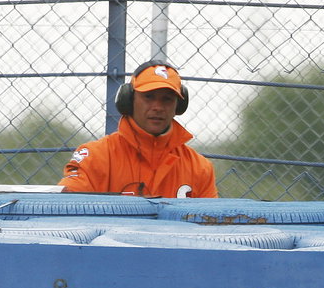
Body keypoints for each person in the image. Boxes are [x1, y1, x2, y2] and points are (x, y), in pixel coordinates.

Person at [59, 61, 218, 197]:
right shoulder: (96, 157)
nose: (158, 107)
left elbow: (211, 228)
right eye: (148, 97)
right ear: (128, 100)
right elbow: (68, 208)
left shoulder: (199, 168)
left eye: (167, 99)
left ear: (178, 106)